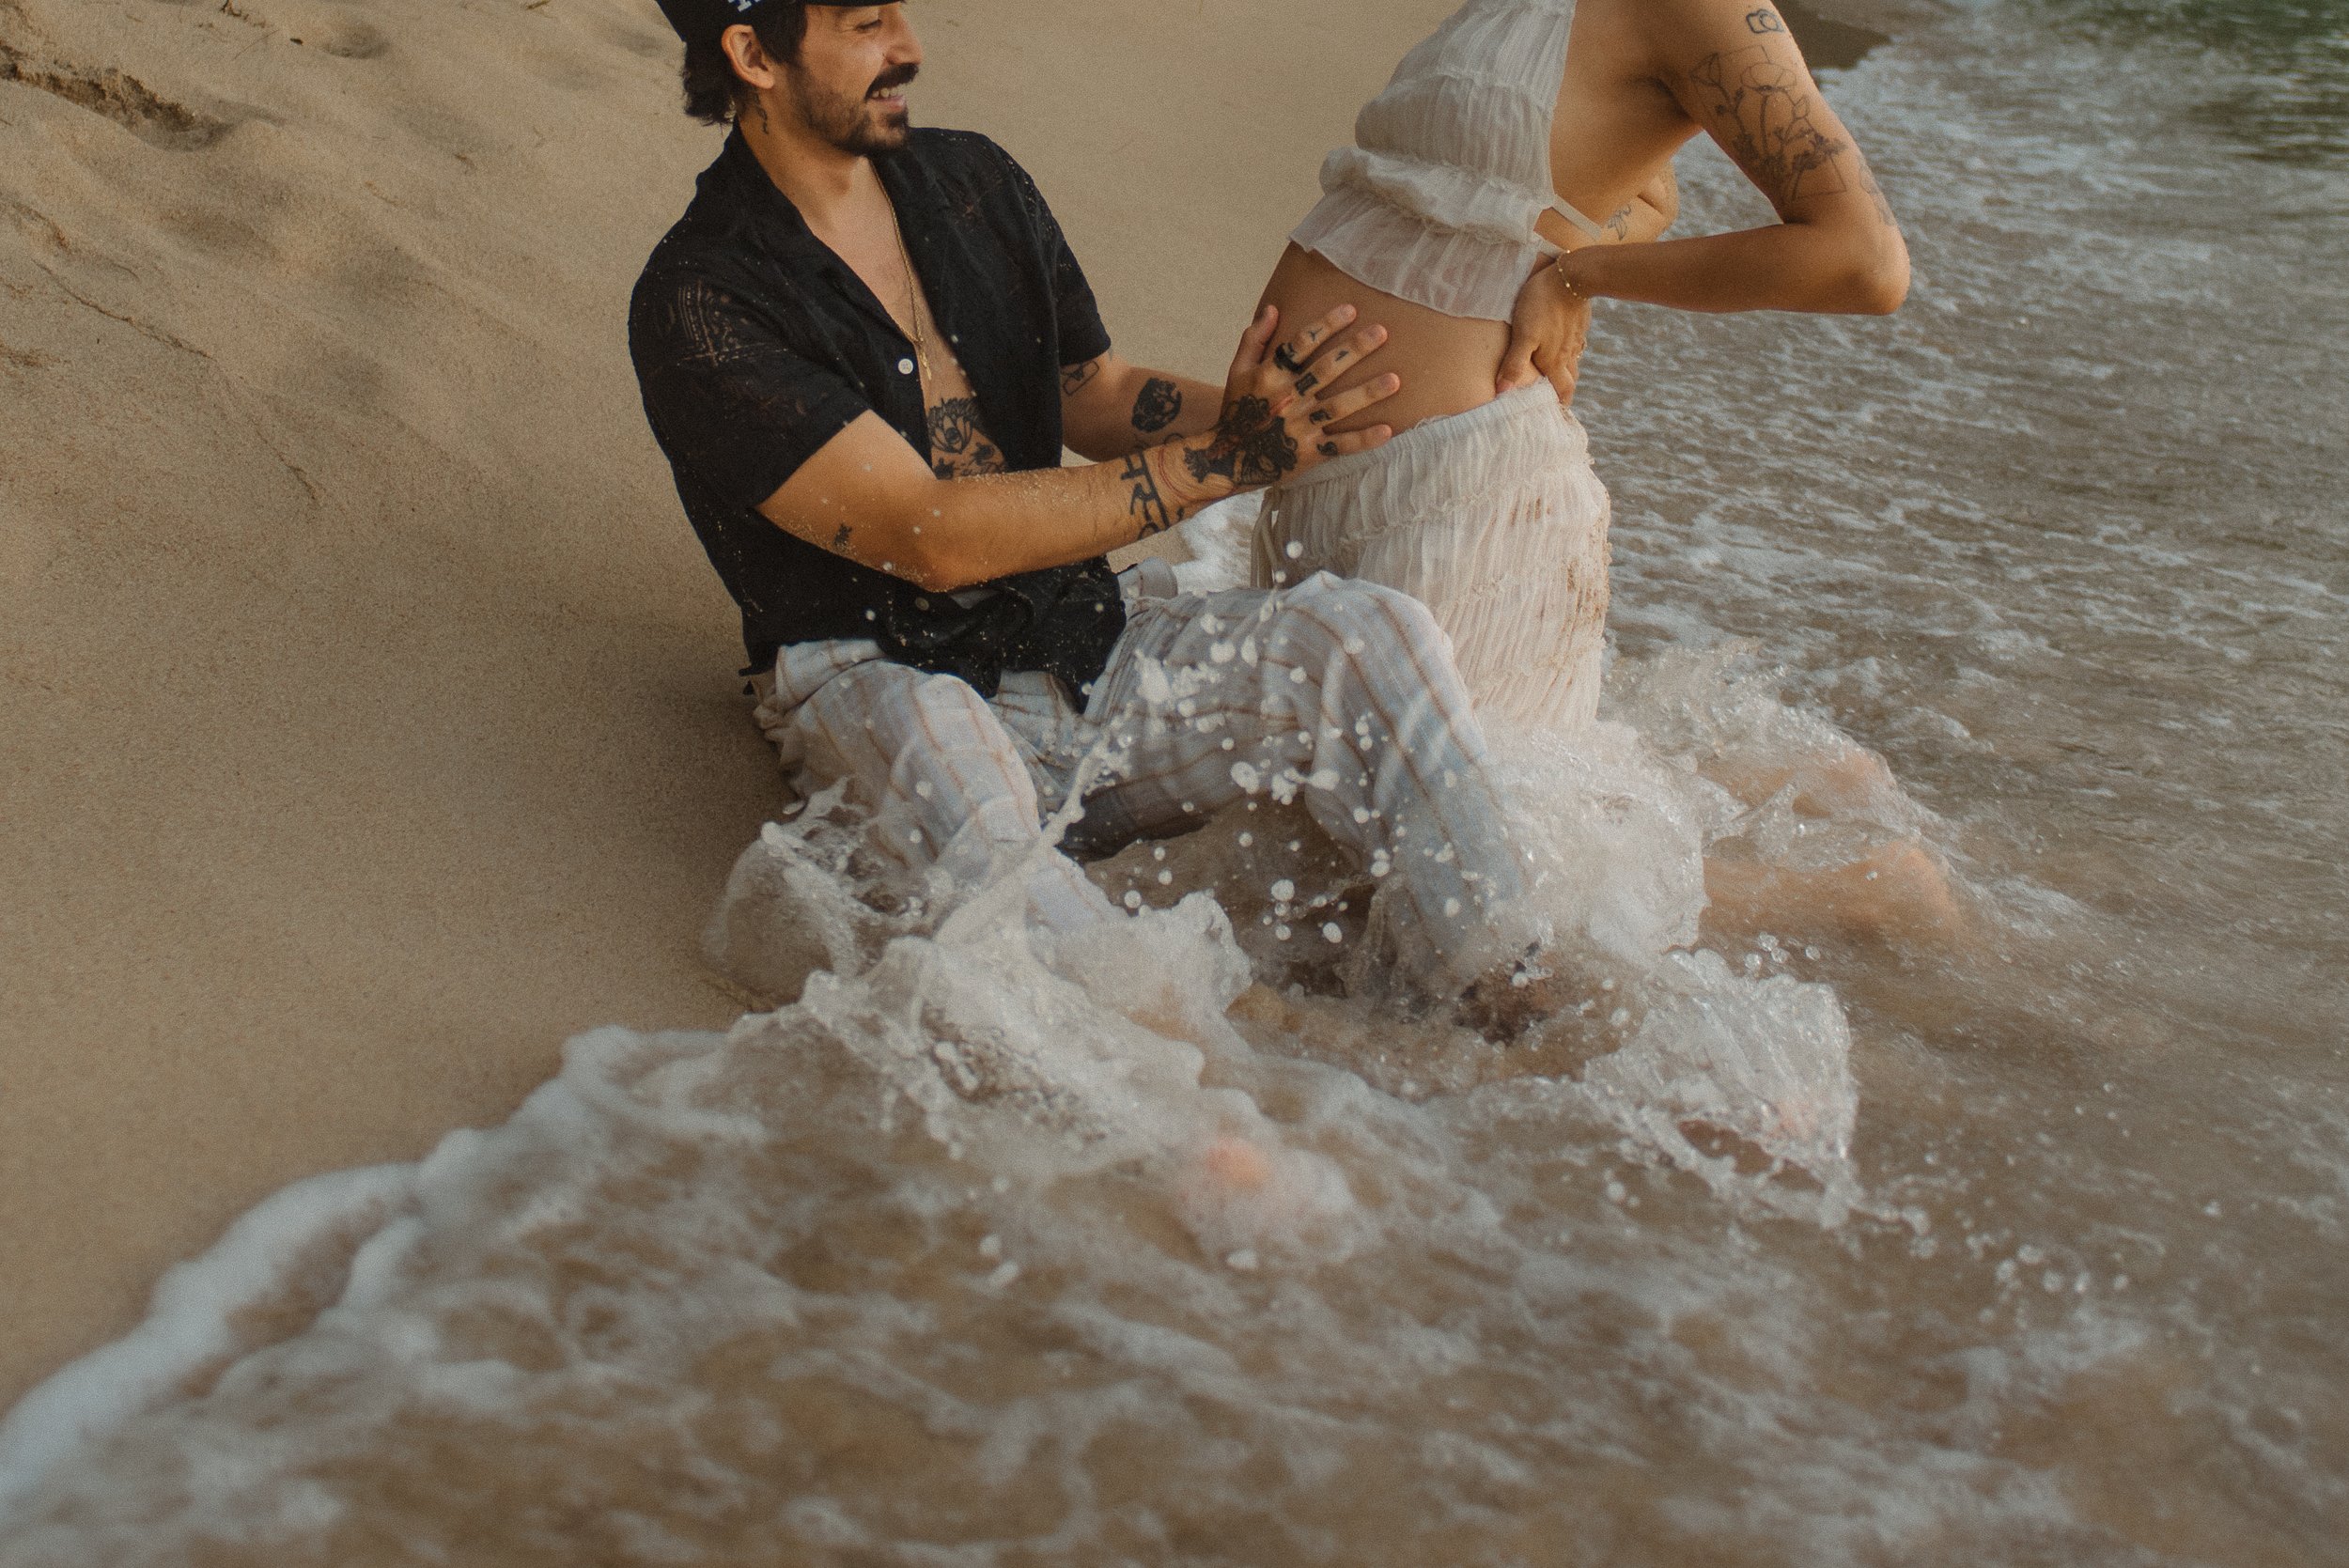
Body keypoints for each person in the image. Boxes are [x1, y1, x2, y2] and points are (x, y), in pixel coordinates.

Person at [627, 0, 1562, 1032]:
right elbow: (925, 537)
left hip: (1081, 641)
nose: (910, 49)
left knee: (1360, 635)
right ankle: (1258, 1100)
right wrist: (1222, 462)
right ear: (753, 54)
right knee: (997, 850)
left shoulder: (973, 183)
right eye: (865, 24)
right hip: (881, 667)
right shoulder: (701, 299)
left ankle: (1508, 1002)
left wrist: (1303, 427)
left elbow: (1093, 390)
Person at [1204, 0, 1955, 941]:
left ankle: (1872, 898)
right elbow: (1636, 187)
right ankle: (1820, 792)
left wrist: (1580, 278)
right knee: (1339, 887)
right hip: (1349, 490)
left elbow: (1863, 258)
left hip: (1460, 502)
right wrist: (1569, 244)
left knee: (1465, 914)